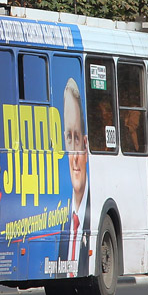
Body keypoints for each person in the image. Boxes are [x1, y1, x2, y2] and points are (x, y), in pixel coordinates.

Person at [61, 78, 91, 278]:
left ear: (86, 145)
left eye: (77, 137)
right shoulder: (62, 220)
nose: (74, 158)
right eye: (68, 139)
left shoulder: (92, 208)